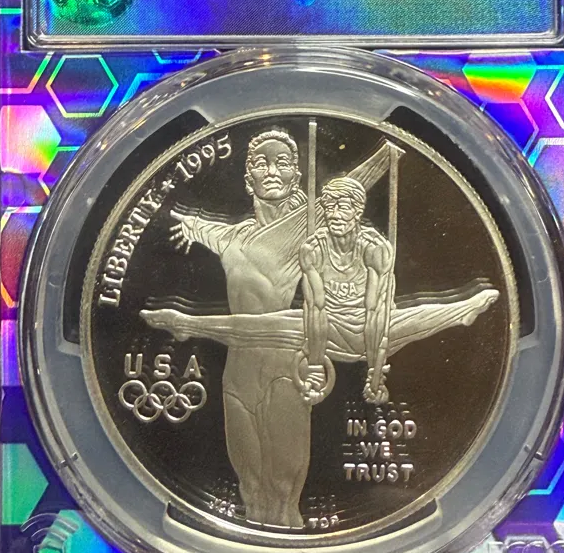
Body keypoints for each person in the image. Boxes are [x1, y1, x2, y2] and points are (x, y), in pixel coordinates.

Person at [142, 173, 499, 517]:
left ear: (358, 211)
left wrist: (375, 372)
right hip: (327, 328)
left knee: (415, 317)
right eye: (330, 208)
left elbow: (377, 310)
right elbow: (315, 308)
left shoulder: (375, 249)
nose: (336, 215)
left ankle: (462, 311)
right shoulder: (313, 249)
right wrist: (314, 362)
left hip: (370, 328)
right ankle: (186, 323)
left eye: (344, 207)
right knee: (264, 325)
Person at [147, 129, 393, 529]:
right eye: (262, 164)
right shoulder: (232, 236)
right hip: (237, 375)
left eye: (283, 163)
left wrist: (388, 151)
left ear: (296, 175)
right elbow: (202, 227)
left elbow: (354, 183)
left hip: (285, 371)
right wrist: (189, 223)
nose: (273, 171)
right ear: (249, 179)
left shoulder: (308, 225)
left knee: (283, 491)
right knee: (249, 488)